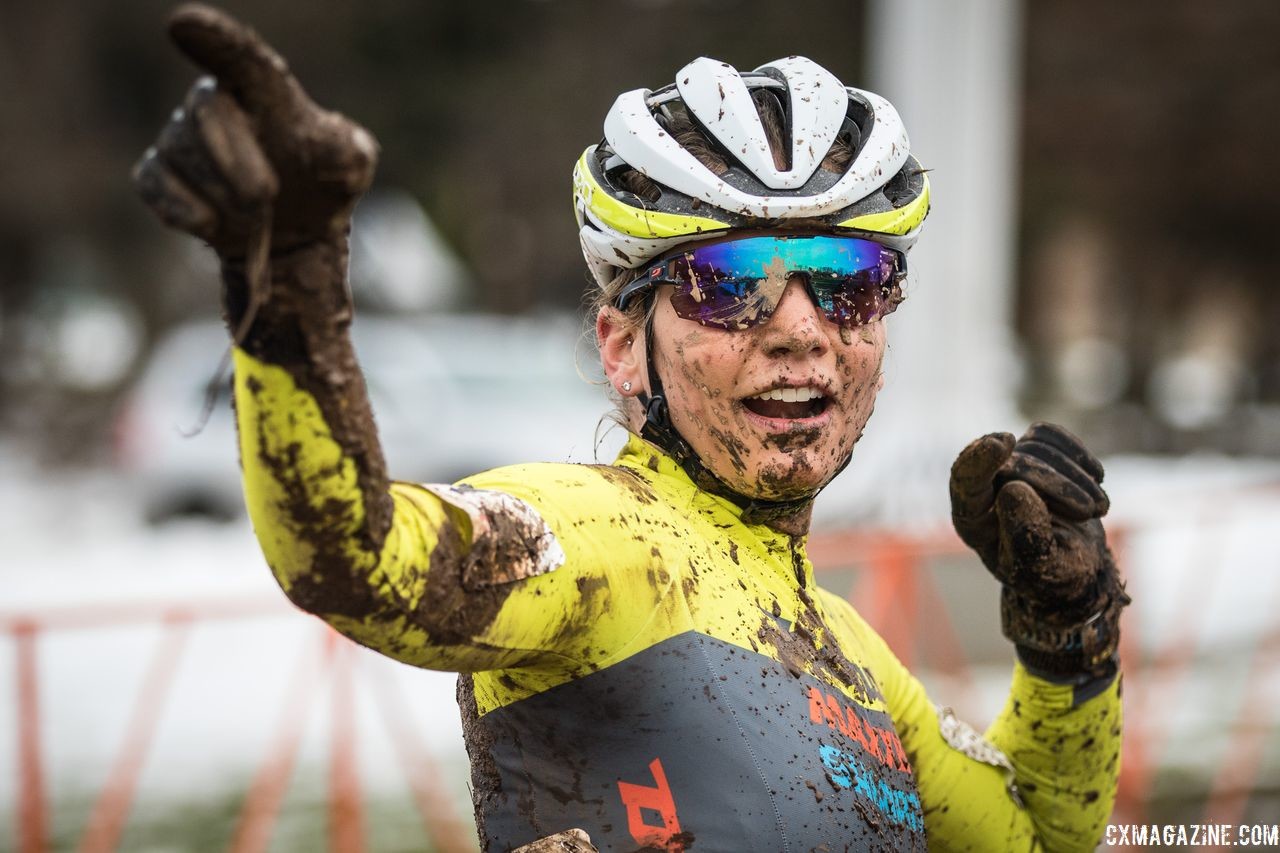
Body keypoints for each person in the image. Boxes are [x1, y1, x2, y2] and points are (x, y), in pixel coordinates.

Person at [134, 5, 1129, 851]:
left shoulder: (852, 655)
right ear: (620, 345)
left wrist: (1066, 646)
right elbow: (355, 557)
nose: (797, 330)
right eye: (729, 282)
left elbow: (1036, 836)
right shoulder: (605, 539)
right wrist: (290, 283)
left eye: (845, 281)